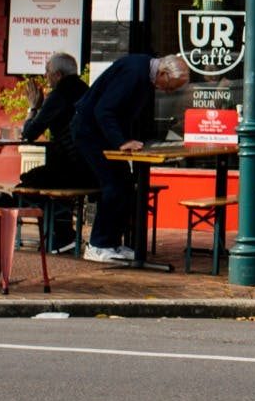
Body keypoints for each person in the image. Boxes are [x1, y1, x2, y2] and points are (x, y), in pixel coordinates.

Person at [70, 53, 190, 263]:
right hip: (90, 132)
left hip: (101, 133)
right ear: (163, 73)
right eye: (170, 86)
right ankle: (98, 245)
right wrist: (121, 142)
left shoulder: (144, 74)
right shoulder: (135, 73)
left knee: (125, 184)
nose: (168, 91)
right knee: (113, 186)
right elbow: (104, 110)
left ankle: (112, 243)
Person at [18, 52, 92, 251]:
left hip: (73, 168)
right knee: (47, 174)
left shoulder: (59, 95)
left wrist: (33, 108)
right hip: (91, 167)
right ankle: (62, 233)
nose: (45, 76)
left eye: (47, 72)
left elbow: (30, 133)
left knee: (27, 180)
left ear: (58, 75)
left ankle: (61, 235)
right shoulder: (86, 90)